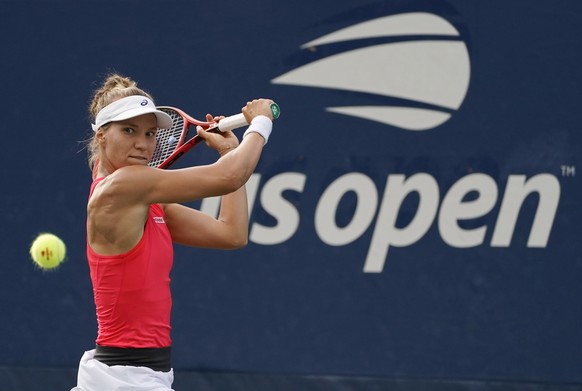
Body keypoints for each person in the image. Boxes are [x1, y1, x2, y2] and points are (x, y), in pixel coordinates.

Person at [71, 73, 277, 391]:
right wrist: (260, 123)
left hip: (140, 376)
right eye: (129, 130)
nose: (143, 144)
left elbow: (231, 234)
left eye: (150, 133)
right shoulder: (121, 187)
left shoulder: (144, 199)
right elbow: (230, 176)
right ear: (101, 136)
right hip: (125, 380)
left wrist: (227, 152)